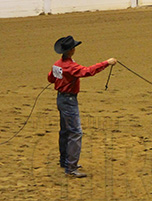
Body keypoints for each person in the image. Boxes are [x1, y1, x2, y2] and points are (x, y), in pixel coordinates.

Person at [47, 35, 117, 178]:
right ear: (71, 50)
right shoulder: (70, 66)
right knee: (75, 132)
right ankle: (71, 167)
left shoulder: (57, 64)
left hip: (61, 99)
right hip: (69, 101)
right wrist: (106, 63)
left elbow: (50, 78)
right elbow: (87, 71)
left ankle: (65, 161)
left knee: (65, 131)